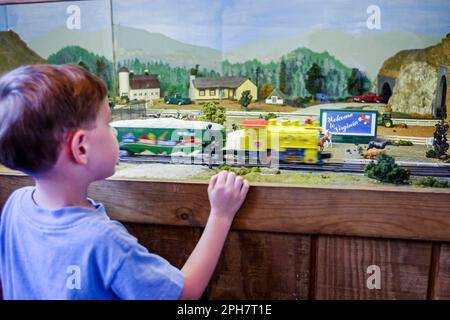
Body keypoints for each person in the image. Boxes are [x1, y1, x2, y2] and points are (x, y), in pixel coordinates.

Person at [0, 64, 249, 300]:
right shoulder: (103, 241)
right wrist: (221, 214)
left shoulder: (15, 206)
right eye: (108, 123)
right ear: (81, 148)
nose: (116, 132)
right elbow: (184, 293)